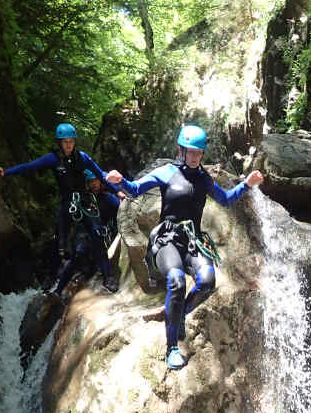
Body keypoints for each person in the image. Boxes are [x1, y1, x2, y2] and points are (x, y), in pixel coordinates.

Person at [105, 124, 264, 370]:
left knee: (207, 281)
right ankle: (172, 348)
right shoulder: (166, 172)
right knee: (177, 280)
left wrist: (247, 184)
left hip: (192, 241)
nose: (194, 156)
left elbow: (225, 199)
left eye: (198, 152)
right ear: (181, 150)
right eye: (190, 151)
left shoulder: (204, 179)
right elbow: (135, 189)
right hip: (166, 240)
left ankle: (178, 315)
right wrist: (119, 181)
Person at [0, 123, 119, 295]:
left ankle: (108, 278)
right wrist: (6, 172)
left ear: (74, 142)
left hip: (83, 202)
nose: (68, 145)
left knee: (96, 237)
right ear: (59, 142)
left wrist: (117, 192)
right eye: (65, 142)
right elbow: (31, 166)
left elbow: (100, 176)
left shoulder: (82, 158)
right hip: (67, 203)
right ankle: (51, 278)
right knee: (60, 245)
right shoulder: (53, 159)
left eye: (71, 141)